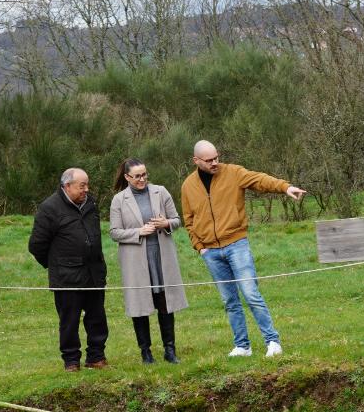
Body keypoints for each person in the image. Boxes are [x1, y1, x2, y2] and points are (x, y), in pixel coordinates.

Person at [180, 140, 306, 358]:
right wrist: (199, 247)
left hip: (236, 244)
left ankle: (272, 341)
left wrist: (285, 187)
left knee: (250, 294)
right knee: (229, 301)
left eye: (216, 157)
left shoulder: (234, 173)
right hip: (210, 251)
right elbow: (188, 218)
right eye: (209, 160)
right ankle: (242, 346)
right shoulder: (187, 186)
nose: (214, 163)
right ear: (196, 160)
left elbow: (260, 180)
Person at [28, 168, 109, 370]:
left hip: (94, 273)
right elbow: (37, 245)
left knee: (97, 318)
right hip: (67, 277)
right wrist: (55, 265)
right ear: (67, 186)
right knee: (69, 321)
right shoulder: (49, 208)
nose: (86, 190)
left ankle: (96, 357)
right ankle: (72, 361)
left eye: (87, 185)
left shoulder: (91, 203)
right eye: (82, 186)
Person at [109, 158, 188, 364]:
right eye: (137, 176)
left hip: (161, 256)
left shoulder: (160, 192)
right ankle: (146, 352)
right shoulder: (119, 200)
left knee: (165, 302)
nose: (142, 179)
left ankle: (170, 350)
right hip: (136, 260)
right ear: (127, 177)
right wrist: (139, 231)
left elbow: (177, 220)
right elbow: (114, 232)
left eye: (144, 174)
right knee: (140, 305)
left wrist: (166, 223)